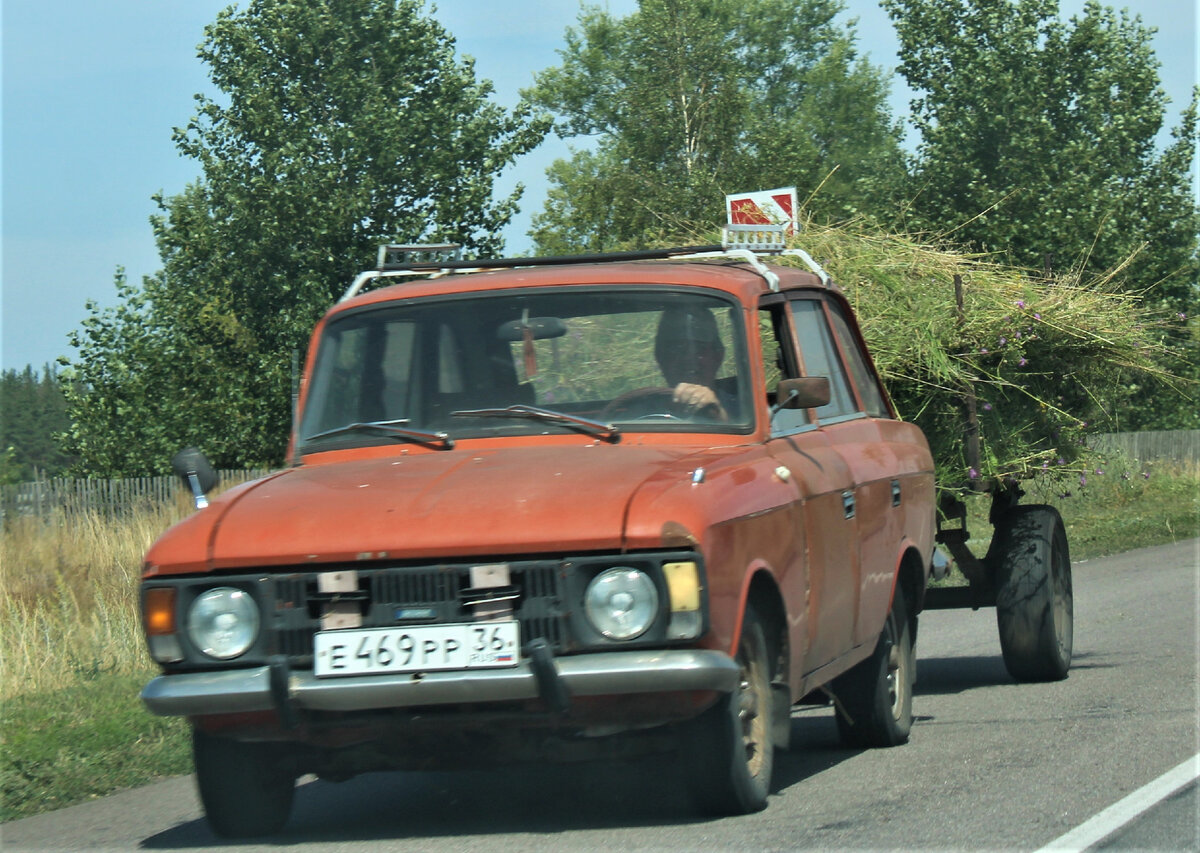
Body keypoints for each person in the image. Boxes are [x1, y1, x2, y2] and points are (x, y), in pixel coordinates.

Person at [653, 305, 732, 421]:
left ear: (718, 356)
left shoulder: (747, 409)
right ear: (660, 357)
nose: (688, 358)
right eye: (677, 348)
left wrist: (719, 414)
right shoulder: (638, 409)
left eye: (700, 348)